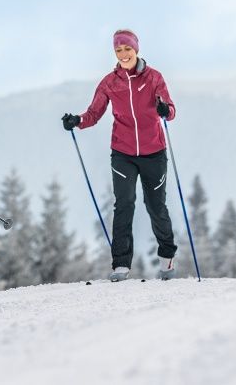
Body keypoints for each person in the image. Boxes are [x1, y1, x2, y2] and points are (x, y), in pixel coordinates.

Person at [61, 29, 178, 282]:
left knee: (156, 206)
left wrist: (164, 110)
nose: (124, 54)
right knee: (124, 205)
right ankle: (121, 264)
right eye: (119, 50)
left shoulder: (154, 77)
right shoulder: (109, 83)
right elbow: (93, 114)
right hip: (123, 153)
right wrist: (77, 121)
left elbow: (170, 110)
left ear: (136, 49)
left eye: (127, 49)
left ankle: (166, 257)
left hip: (154, 152)